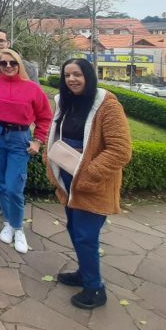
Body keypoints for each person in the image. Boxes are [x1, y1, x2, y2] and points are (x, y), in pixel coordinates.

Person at [45, 58, 132, 310]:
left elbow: (120, 150)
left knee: (86, 236)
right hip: (68, 177)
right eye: (67, 75)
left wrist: (88, 175)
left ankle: (95, 289)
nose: (71, 79)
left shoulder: (107, 105)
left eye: (77, 74)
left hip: (93, 182)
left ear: (89, 76)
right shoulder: (66, 103)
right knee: (75, 230)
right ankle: (85, 273)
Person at [0, 48, 52, 253]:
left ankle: (18, 228)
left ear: (19, 64)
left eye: (12, 63)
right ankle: (8, 222)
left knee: (14, 187)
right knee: (0, 184)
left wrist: (38, 141)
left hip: (19, 139)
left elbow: (45, 117)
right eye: (3, 63)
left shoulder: (32, 88)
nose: (8, 66)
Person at [0, 28, 40, 217]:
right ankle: (1, 199)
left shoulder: (28, 68)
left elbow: (38, 104)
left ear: (8, 42)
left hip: (19, 131)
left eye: (1, 41)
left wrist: (37, 137)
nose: (8, 66)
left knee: (15, 176)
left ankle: (13, 207)